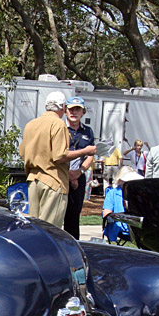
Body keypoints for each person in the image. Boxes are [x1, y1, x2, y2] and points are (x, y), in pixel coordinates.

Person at [20, 90, 70, 227]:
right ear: (63, 107)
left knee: (35, 226)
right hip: (53, 179)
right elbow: (60, 156)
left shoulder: (31, 124)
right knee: (50, 229)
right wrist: (85, 151)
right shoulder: (58, 124)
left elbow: (23, 152)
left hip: (33, 180)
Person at [63, 96, 97, 238]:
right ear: (65, 111)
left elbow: (91, 154)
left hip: (79, 177)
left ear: (83, 112)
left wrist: (79, 172)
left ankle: (73, 244)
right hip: (62, 176)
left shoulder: (87, 131)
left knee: (74, 214)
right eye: (71, 109)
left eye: (77, 109)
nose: (74, 112)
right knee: (58, 214)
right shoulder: (61, 128)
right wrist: (69, 174)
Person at [102, 166, 141, 244]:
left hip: (137, 226)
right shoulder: (112, 193)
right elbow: (106, 213)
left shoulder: (139, 194)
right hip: (120, 226)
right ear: (119, 181)